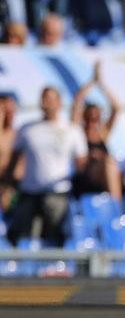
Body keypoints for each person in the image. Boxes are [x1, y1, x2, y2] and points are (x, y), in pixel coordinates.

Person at [7, 87, 87, 247]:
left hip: (58, 194)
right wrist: (8, 186)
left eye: (50, 98)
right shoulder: (27, 129)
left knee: (57, 238)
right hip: (29, 193)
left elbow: (82, 166)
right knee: (18, 237)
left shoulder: (72, 130)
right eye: (43, 98)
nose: (46, 102)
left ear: (59, 102)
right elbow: (13, 161)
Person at [71, 61, 122, 201]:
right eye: (90, 117)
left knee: (112, 164)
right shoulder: (78, 132)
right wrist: (92, 81)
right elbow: (77, 101)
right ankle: (117, 206)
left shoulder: (102, 133)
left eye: (96, 118)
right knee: (109, 163)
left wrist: (102, 84)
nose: (93, 121)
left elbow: (117, 108)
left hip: (104, 175)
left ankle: (116, 204)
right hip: (85, 176)